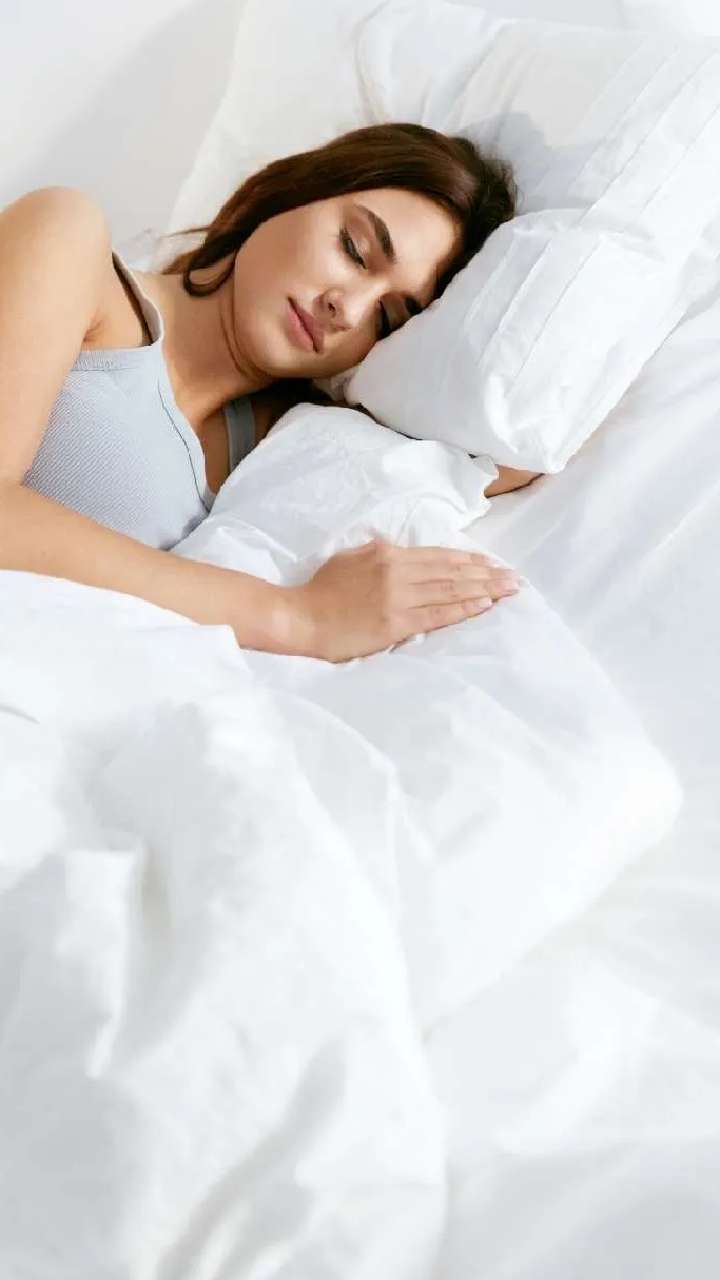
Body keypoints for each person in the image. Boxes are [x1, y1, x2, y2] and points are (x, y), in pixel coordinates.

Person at [0, 122, 534, 663]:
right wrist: (294, 617)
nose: (348, 309)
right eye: (354, 248)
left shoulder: (287, 448)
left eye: (387, 318)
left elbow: (507, 450)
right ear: (292, 191)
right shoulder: (69, 242)